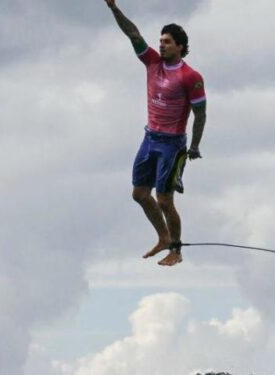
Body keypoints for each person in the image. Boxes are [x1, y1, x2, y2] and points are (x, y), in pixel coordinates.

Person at [104, 0, 207, 266]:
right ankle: (163, 237)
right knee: (139, 194)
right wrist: (114, 9)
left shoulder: (190, 76)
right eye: (161, 40)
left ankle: (176, 250)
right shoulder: (152, 62)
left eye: (168, 42)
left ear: (181, 47)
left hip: (172, 144)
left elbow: (200, 114)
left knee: (164, 199)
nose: (161, 45)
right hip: (150, 138)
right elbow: (134, 34)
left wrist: (194, 146)